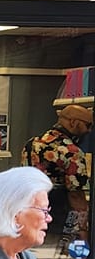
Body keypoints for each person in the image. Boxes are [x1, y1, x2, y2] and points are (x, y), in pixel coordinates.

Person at [21, 97, 92, 237]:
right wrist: (83, 230)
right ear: (73, 122)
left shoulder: (31, 144)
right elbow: (76, 196)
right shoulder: (71, 152)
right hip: (58, 217)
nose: (89, 131)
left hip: (30, 215)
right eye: (87, 125)